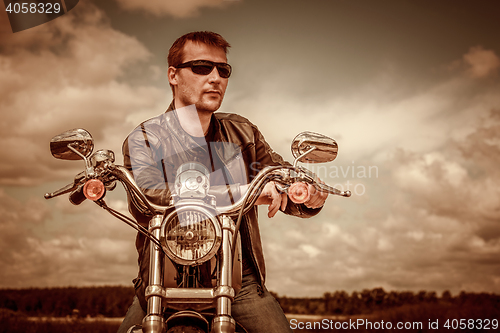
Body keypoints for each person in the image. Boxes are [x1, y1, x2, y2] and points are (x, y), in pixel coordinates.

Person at [117, 31, 328, 333]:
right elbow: (148, 198)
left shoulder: (243, 133)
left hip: (238, 280)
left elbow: (279, 174)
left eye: (223, 70)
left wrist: (303, 191)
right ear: (173, 75)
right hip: (161, 281)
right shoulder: (146, 139)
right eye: (202, 67)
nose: (215, 77)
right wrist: (246, 192)